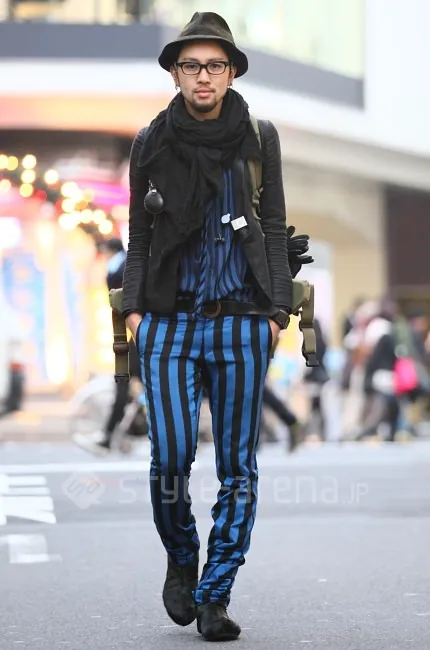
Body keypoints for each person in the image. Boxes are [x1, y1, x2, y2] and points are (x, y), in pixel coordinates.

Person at [122, 12, 302, 641]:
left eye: (215, 65)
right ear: (175, 73)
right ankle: (182, 556)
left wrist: (275, 312)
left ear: (231, 73)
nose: (204, 76)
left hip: (243, 323)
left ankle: (215, 592)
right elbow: (138, 235)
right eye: (192, 65)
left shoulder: (258, 136)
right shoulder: (150, 141)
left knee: (238, 467)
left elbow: (272, 224)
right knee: (170, 456)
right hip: (167, 324)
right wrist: (135, 314)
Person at [73, 237, 143, 455]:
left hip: (137, 332)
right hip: (134, 332)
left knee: (127, 384)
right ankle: (119, 432)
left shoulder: (123, 266)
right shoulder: (124, 264)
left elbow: (122, 299)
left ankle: (113, 434)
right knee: (129, 386)